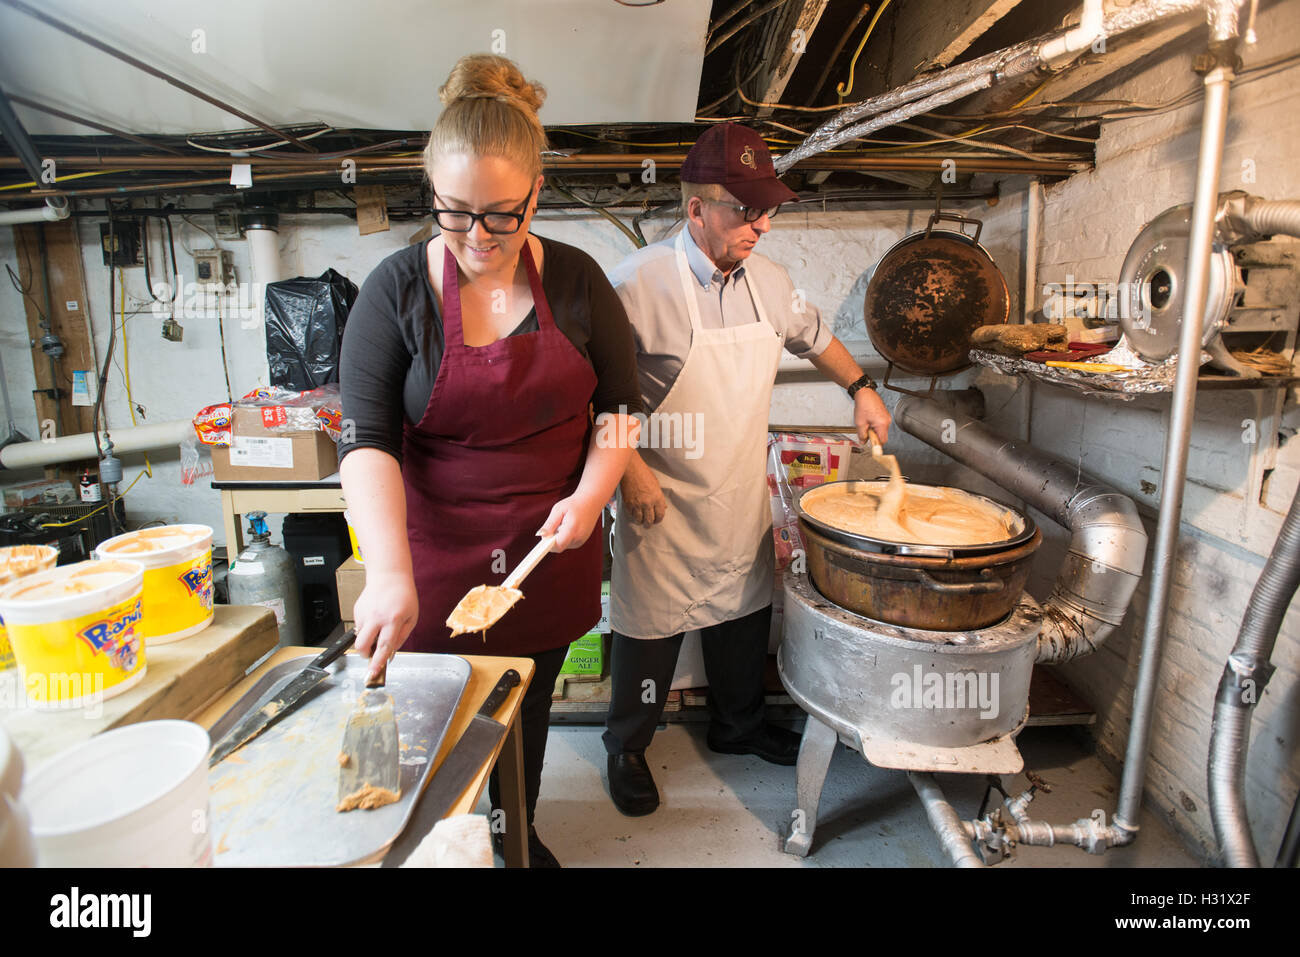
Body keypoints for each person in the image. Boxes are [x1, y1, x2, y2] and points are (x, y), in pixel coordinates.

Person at [338, 54, 641, 865]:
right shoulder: (395, 294)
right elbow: (366, 441)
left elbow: (620, 407)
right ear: (432, 196)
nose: (478, 238)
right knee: (435, 730)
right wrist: (387, 572)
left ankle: (512, 833)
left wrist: (593, 494)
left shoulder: (576, 282)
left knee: (521, 714)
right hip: (429, 560)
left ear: (537, 194)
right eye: (455, 213)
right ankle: (442, 846)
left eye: (502, 216)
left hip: (549, 548)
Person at [603, 123, 892, 816]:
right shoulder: (633, 286)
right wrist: (627, 471)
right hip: (658, 492)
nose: (762, 223)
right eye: (745, 209)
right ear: (697, 209)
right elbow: (590, 388)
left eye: (768, 208)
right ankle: (627, 745)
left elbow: (818, 339)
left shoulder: (771, 281)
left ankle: (737, 726)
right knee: (650, 629)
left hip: (734, 483)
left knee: (741, 612)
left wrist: (861, 388)